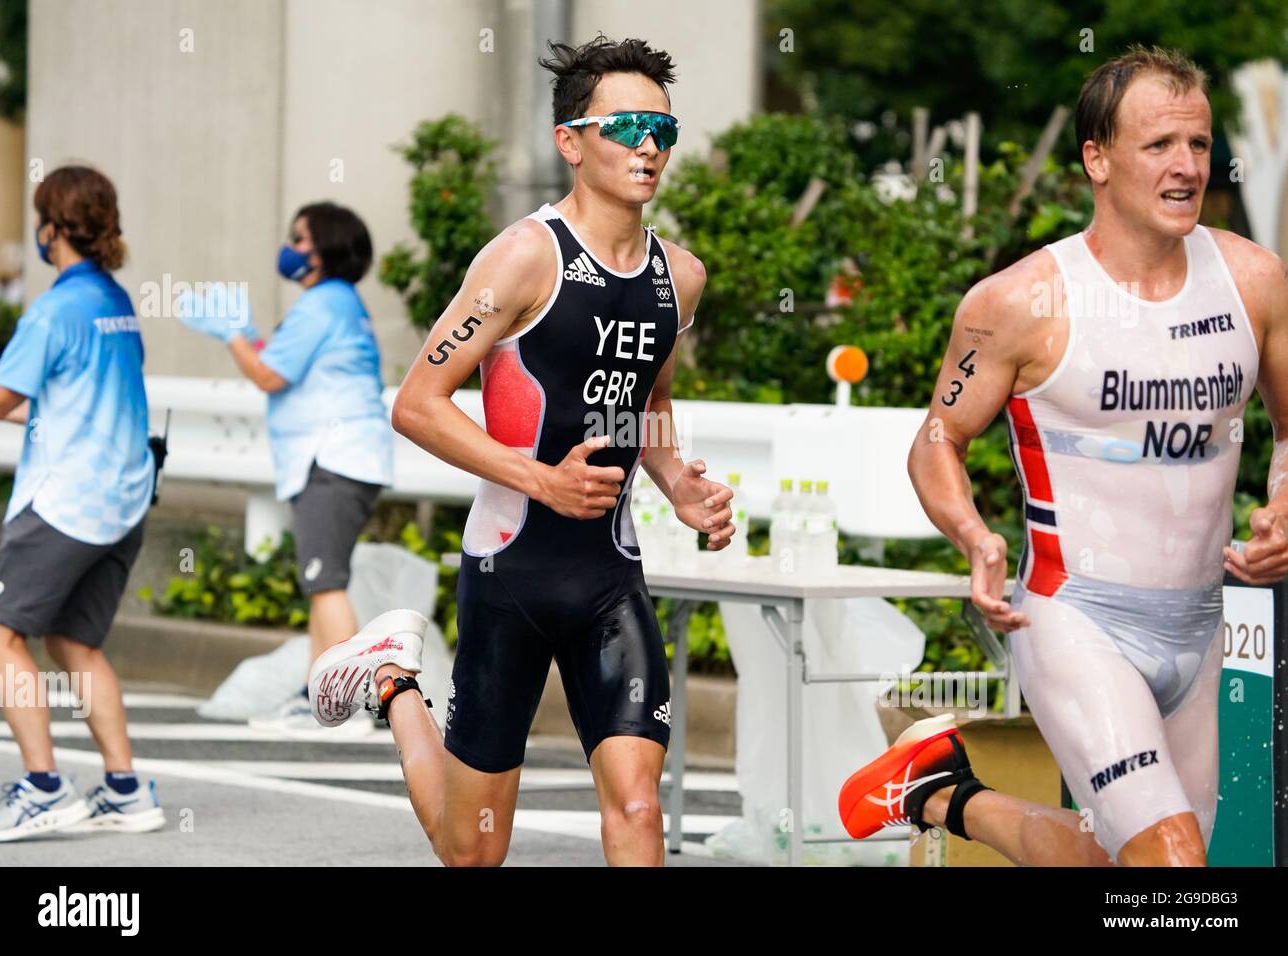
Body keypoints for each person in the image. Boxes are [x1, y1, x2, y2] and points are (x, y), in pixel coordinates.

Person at [840, 46, 1288, 866]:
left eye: (1197, 143)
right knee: (1175, 864)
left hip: (1201, 625)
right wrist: (975, 537)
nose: (1186, 166)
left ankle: (939, 792)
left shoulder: (1255, 281)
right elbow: (937, 438)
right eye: (1158, 146)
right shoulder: (1018, 303)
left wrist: (1286, 504)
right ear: (1097, 159)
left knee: (1124, 866)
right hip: (1078, 619)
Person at [308, 35, 736, 866]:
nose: (649, 145)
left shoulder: (678, 277)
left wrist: (678, 482)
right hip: (511, 569)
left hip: (611, 573)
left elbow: (647, 402)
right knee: (472, 851)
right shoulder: (523, 259)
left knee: (639, 806)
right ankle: (395, 681)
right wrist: (539, 478)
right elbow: (417, 405)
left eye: (664, 129)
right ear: (570, 142)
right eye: (627, 127)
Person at [0, 165, 165, 840]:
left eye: (41, 218)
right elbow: (64, 397)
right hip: (122, 504)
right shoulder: (112, 301)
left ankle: (42, 787)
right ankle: (125, 789)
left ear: (55, 227)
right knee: (74, 642)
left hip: (67, 503)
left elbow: (1, 397)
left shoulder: (56, 308)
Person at [176, 202, 393, 736]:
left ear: (326, 251)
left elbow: (270, 375)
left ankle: (350, 703)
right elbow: (283, 361)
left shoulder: (323, 304)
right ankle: (316, 696)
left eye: (300, 240)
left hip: (333, 459)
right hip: (339, 459)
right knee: (320, 581)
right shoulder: (337, 303)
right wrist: (248, 334)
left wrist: (233, 334)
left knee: (326, 583)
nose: (290, 248)